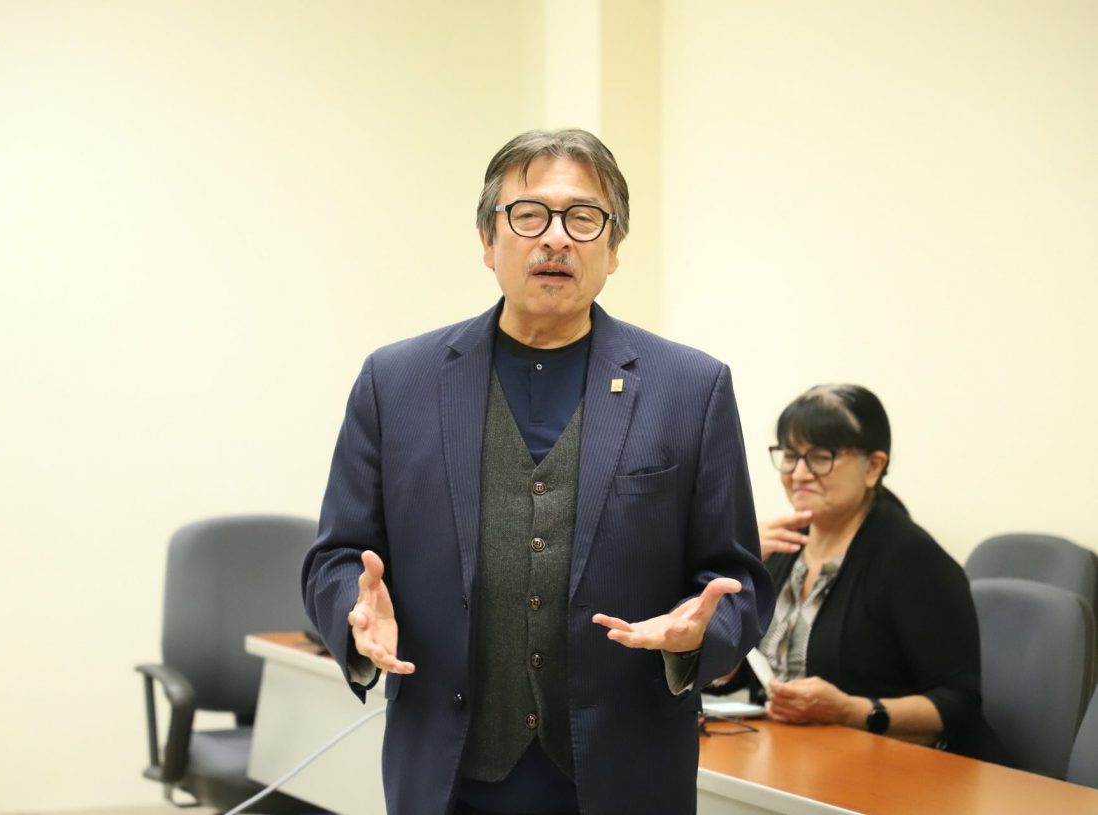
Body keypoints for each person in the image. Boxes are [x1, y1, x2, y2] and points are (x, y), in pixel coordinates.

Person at [301, 128, 774, 815]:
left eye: (584, 218)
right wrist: (353, 611)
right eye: (529, 215)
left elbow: (736, 581)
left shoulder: (690, 388)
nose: (556, 238)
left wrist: (702, 633)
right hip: (447, 779)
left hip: (626, 777)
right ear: (487, 240)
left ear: (614, 248)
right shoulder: (396, 382)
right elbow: (336, 556)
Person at [744, 384, 1006, 762]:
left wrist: (850, 710)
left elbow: (958, 704)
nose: (799, 473)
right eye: (790, 455)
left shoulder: (912, 559)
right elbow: (756, 670)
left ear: (873, 467)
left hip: (895, 767)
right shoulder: (782, 544)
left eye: (820, 457)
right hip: (794, 757)